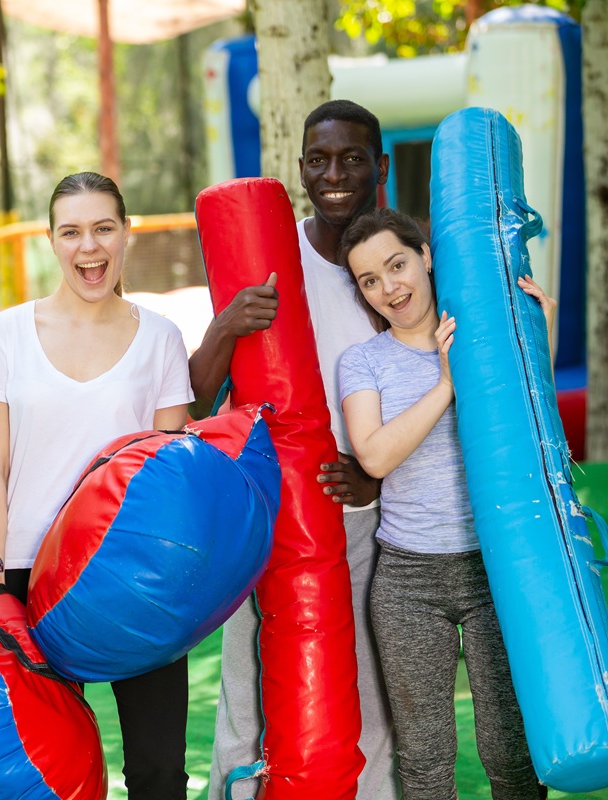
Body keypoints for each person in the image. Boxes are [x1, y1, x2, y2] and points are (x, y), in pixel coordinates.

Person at [0, 172, 195, 800]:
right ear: (51, 240)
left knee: (157, 770)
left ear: (127, 233)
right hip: (28, 578)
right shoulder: (5, 336)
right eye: (71, 232)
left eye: (102, 228)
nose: (88, 248)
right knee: (51, 768)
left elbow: (168, 475)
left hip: (134, 579)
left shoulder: (161, 339)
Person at [200, 100, 401, 800]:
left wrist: (375, 477)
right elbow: (195, 399)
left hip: (360, 516)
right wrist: (226, 327)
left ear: (382, 167)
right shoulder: (271, 255)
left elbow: (432, 391)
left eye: (352, 159)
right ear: (301, 171)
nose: (335, 173)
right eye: (319, 160)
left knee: (366, 689)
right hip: (268, 513)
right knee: (248, 689)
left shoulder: (394, 270)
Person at [338, 207, 550, 800]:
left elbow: (535, 430)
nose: (390, 288)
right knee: (426, 761)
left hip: (495, 570)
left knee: (511, 750)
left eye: (397, 264)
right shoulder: (363, 362)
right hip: (408, 578)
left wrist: (540, 336)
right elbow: (375, 457)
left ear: (426, 256)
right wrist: (446, 384)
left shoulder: (486, 338)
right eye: (370, 280)